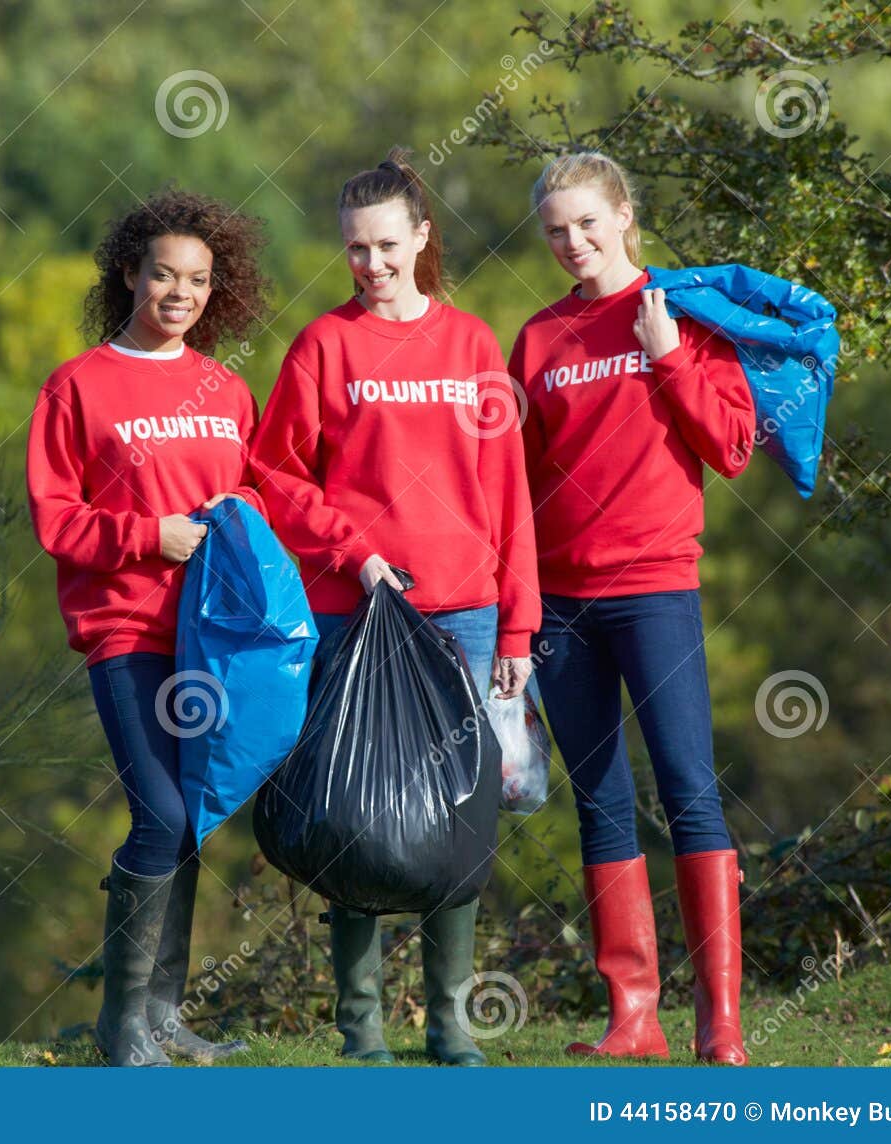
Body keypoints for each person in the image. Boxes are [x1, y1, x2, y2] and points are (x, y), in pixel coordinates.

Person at [250, 147, 539, 1066]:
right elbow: (271, 472)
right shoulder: (324, 347)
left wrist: (519, 625)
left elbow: (508, 489)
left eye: (385, 246)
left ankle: (452, 1025)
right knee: (355, 813)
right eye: (354, 251)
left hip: (462, 613)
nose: (371, 266)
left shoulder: (473, 345)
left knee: (462, 813)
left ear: (421, 238)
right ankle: (361, 1033)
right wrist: (355, 551)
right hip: (354, 611)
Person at [509, 151, 755, 1065]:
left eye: (587, 223)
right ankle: (634, 1016)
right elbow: (515, 487)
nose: (573, 243)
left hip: (654, 586)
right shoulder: (535, 340)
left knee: (689, 789)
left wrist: (667, 362)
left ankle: (719, 1022)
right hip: (562, 603)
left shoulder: (682, 314)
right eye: (556, 231)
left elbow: (730, 447)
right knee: (599, 800)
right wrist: (516, 610)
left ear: (624, 215)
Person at [26, 190, 271, 1066]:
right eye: (163, 273)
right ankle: (119, 1027)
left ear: (217, 288)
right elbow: (57, 522)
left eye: (198, 279)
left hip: (213, 639)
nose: (179, 292)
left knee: (188, 819)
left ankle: (163, 1015)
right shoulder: (78, 385)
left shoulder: (226, 388)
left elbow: (257, 500)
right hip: (126, 628)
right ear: (129, 272)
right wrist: (148, 536)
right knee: (160, 811)